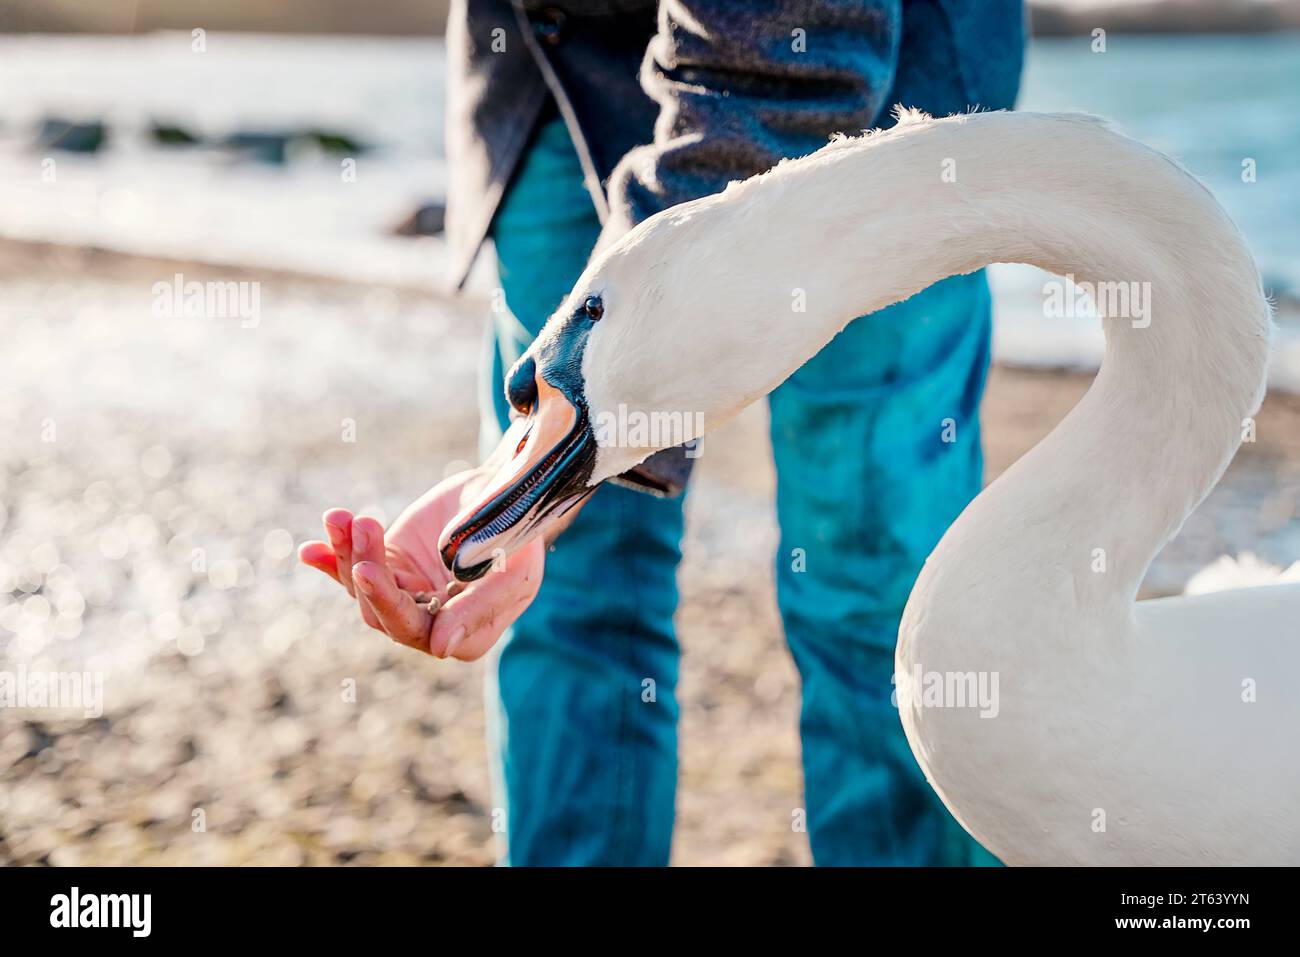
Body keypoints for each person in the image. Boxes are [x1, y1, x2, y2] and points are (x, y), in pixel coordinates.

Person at [299, 0, 1025, 865]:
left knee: (886, 595)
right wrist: (529, 476)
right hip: (554, 64)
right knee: (567, 594)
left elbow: (787, 47)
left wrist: (606, 381)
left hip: (875, 72)